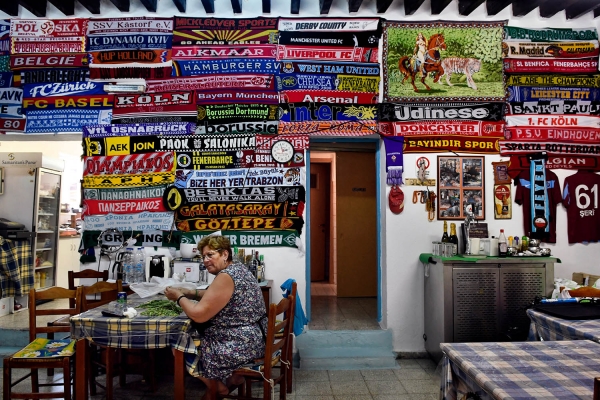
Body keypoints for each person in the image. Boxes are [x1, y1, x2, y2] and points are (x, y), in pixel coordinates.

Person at [164, 235, 267, 397]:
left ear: (225, 254)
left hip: (238, 343)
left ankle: (218, 387)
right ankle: (232, 379)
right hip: (255, 338)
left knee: (179, 342)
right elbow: (216, 294)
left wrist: (178, 297)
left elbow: (198, 315)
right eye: (203, 256)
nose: (205, 260)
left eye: (210, 255)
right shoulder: (237, 269)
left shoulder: (226, 276)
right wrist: (190, 293)